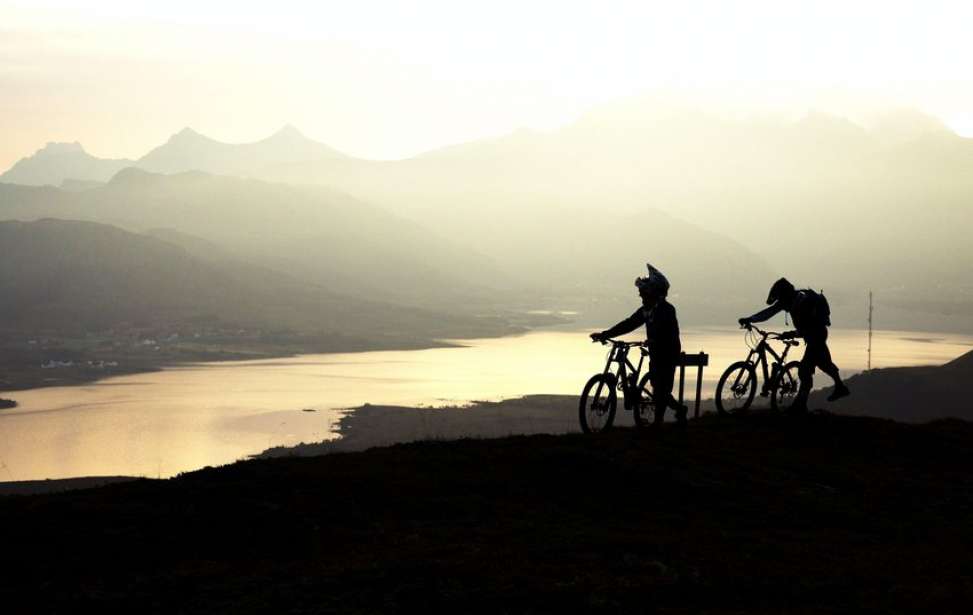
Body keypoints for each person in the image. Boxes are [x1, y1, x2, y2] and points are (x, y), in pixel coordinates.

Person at [590, 264, 685, 428]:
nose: (642, 297)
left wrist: (655, 340)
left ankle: (658, 422)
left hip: (668, 353)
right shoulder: (646, 310)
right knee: (658, 388)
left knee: (661, 390)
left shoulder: (667, 310)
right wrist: (605, 334)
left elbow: (669, 333)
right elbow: (628, 324)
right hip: (656, 352)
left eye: (644, 294)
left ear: (654, 293)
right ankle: (679, 410)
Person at [738, 277, 850, 412]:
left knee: (805, 370)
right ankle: (839, 387)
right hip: (812, 335)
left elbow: (807, 327)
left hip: (817, 335)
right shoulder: (787, 301)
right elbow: (769, 312)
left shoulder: (802, 302)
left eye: (780, 298)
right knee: (823, 363)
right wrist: (750, 319)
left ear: (785, 295)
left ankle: (800, 405)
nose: (780, 303)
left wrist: (792, 334)